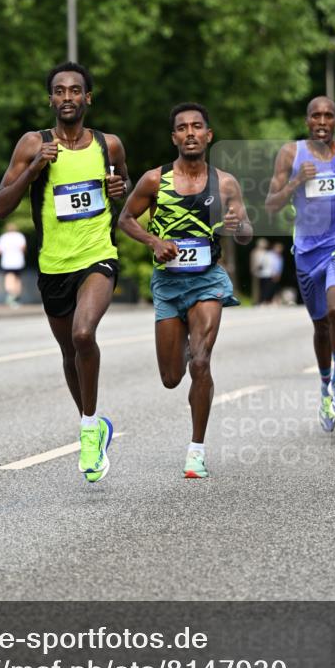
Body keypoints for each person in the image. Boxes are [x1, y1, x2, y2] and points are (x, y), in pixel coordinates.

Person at [0, 61, 130, 483]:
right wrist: (35, 169)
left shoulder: (109, 145)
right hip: (54, 264)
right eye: (59, 91)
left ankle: (88, 430)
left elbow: (127, 196)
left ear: (88, 98)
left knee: (83, 334)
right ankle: (93, 423)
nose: (67, 97)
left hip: (97, 256)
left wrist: (118, 190)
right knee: (69, 352)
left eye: (75, 90)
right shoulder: (34, 143)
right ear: (50, 99)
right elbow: (0, 206)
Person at [118, 102, 253, 479]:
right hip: (168, 284)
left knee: (201, 363)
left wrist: (238, 223)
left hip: (208, 280)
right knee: (171, 377)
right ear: (174, 137)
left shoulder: (225, 183)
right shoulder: (153, 180)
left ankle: (196, 451)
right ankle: (192, 344)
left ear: (208, 136)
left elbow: (245, 235)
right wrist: (153, 241)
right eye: (182, 128)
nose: (190, 133)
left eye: (197, 127)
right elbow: (125, 219)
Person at [265, 96, 335, 432]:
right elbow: (271, 204)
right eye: (316, 116)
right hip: (306, 250)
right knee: (320, 326)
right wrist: (298, 182)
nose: (322, 121)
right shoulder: (291, 153)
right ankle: (325, 385)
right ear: (307, 122)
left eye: (329, 115)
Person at [0, 223, 27, 307]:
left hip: (7, 262)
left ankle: (11, 296)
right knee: (17, 279)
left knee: (9, 278)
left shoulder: (3, 237)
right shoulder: (20, 236)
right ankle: (16, 297)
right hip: (18, 261)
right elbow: (23, 248)